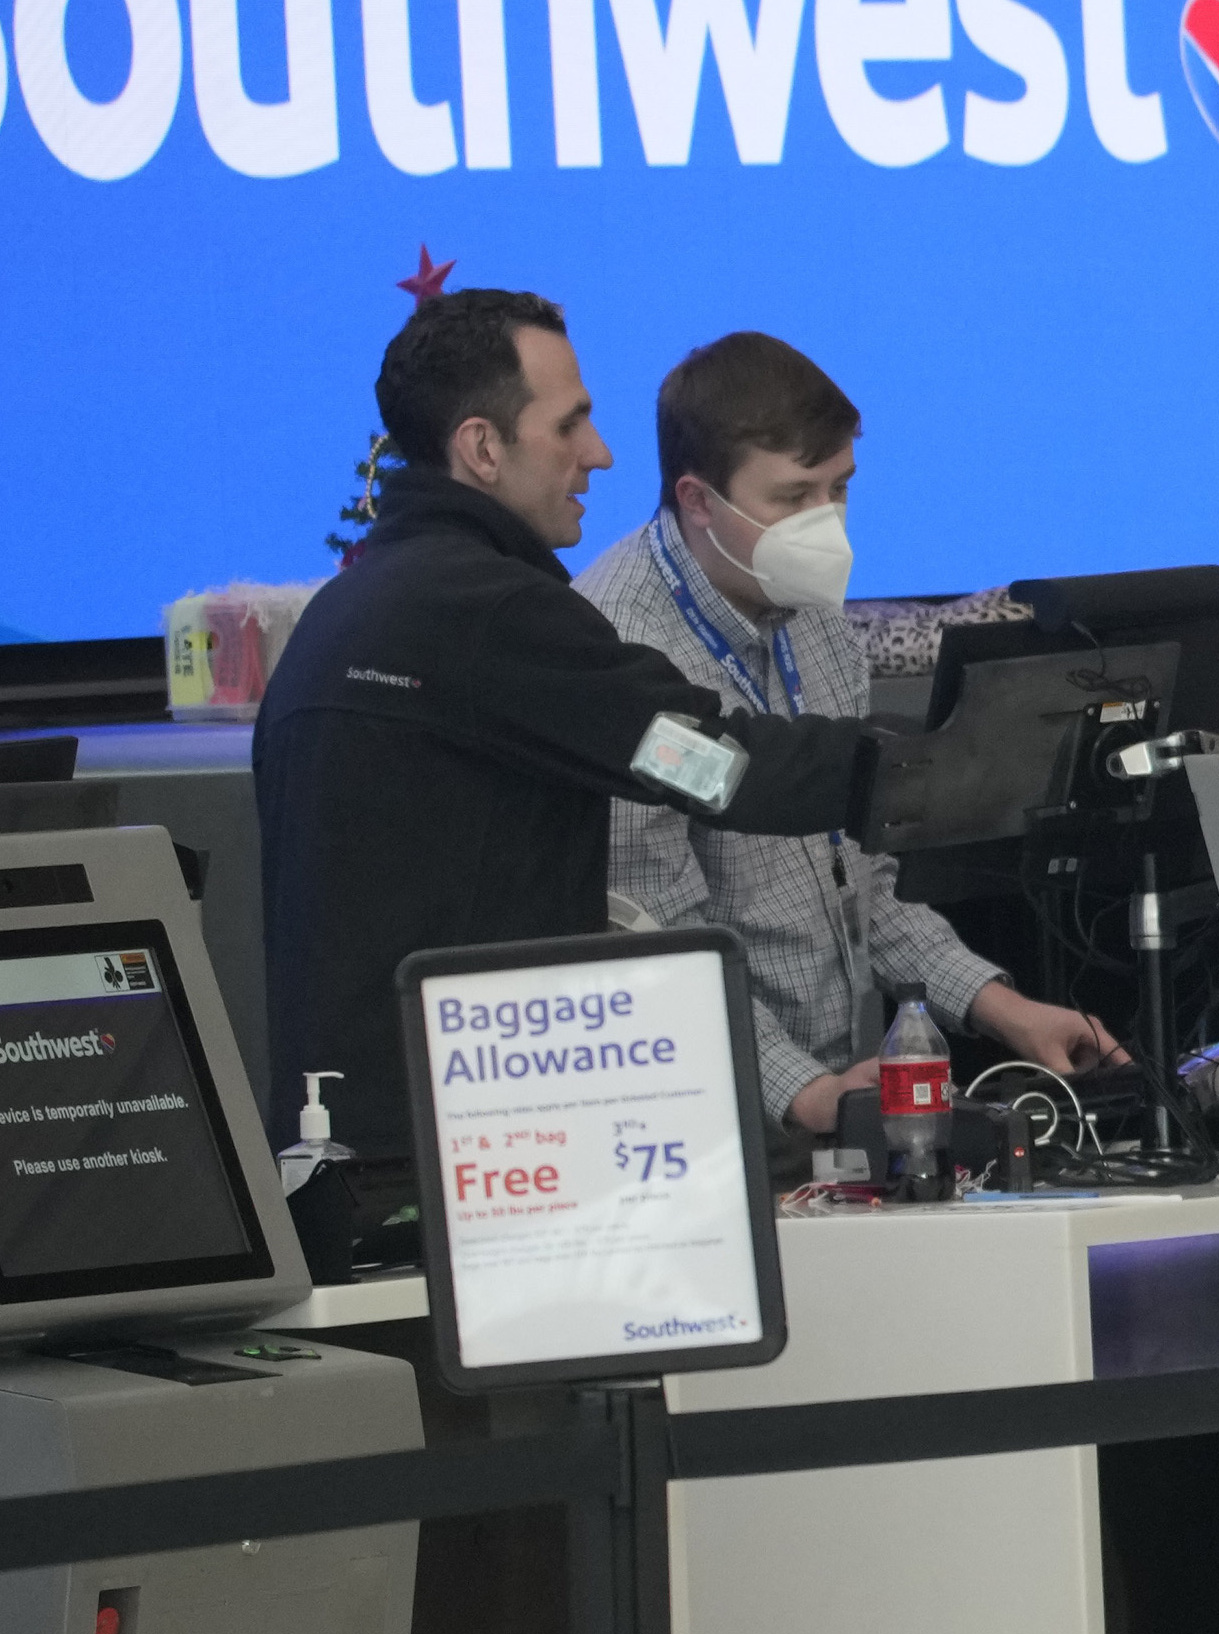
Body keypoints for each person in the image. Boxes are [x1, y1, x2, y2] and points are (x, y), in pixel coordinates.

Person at [258, 287, 889, 1163]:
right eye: (570, 426)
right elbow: (705, 767)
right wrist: (908, 775)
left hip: (344, 1145)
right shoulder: (494, 618)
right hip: (463, 1159)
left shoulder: (352, 607)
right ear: (482, 447)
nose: (599, 454)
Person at [576, 332, 1121, 1144]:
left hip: (839, 1098)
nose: (825, 526)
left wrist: (1007, 1012)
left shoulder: (816, 618)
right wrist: (811, 1095)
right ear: (696, 500)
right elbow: (660, 947)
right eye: (794, 498)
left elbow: (864, 882)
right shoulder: (615, 653)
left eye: (840, 490)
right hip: (697, 1116)